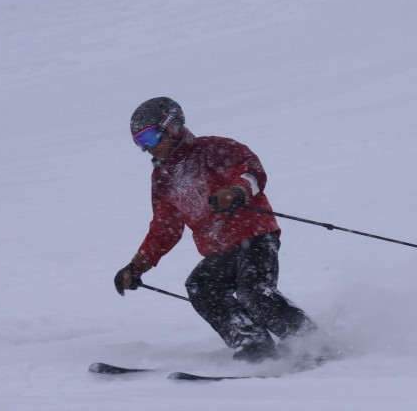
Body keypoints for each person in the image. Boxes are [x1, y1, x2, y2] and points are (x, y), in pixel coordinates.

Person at [114, 97, 315, 363]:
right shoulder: (162, 177)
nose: (148, 148)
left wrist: (237, 192)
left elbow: (253, 173)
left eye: (150, 136)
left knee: (253, 292)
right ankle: (254, 344)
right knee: (201, 286)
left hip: (254, 236)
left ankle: (312, 342)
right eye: (140, 143)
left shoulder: (216, 149)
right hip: (220, 250)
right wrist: (136, 266)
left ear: (172, 127)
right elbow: (165, 228)